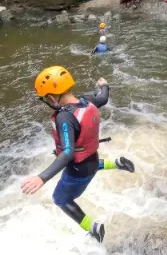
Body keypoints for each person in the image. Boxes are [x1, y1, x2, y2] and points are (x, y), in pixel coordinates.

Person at [22, 66, 136, 243]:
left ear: (52, 97)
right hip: (92, 159)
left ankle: (94, 228)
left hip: (78, 170)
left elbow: (67, 154)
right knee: (89, 166)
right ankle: (117, 163)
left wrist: (41, 178)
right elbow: (103, 98)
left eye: (46, 99)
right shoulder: (87, 101)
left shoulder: (64, 117)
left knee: (60, 198)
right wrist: (104, 85)